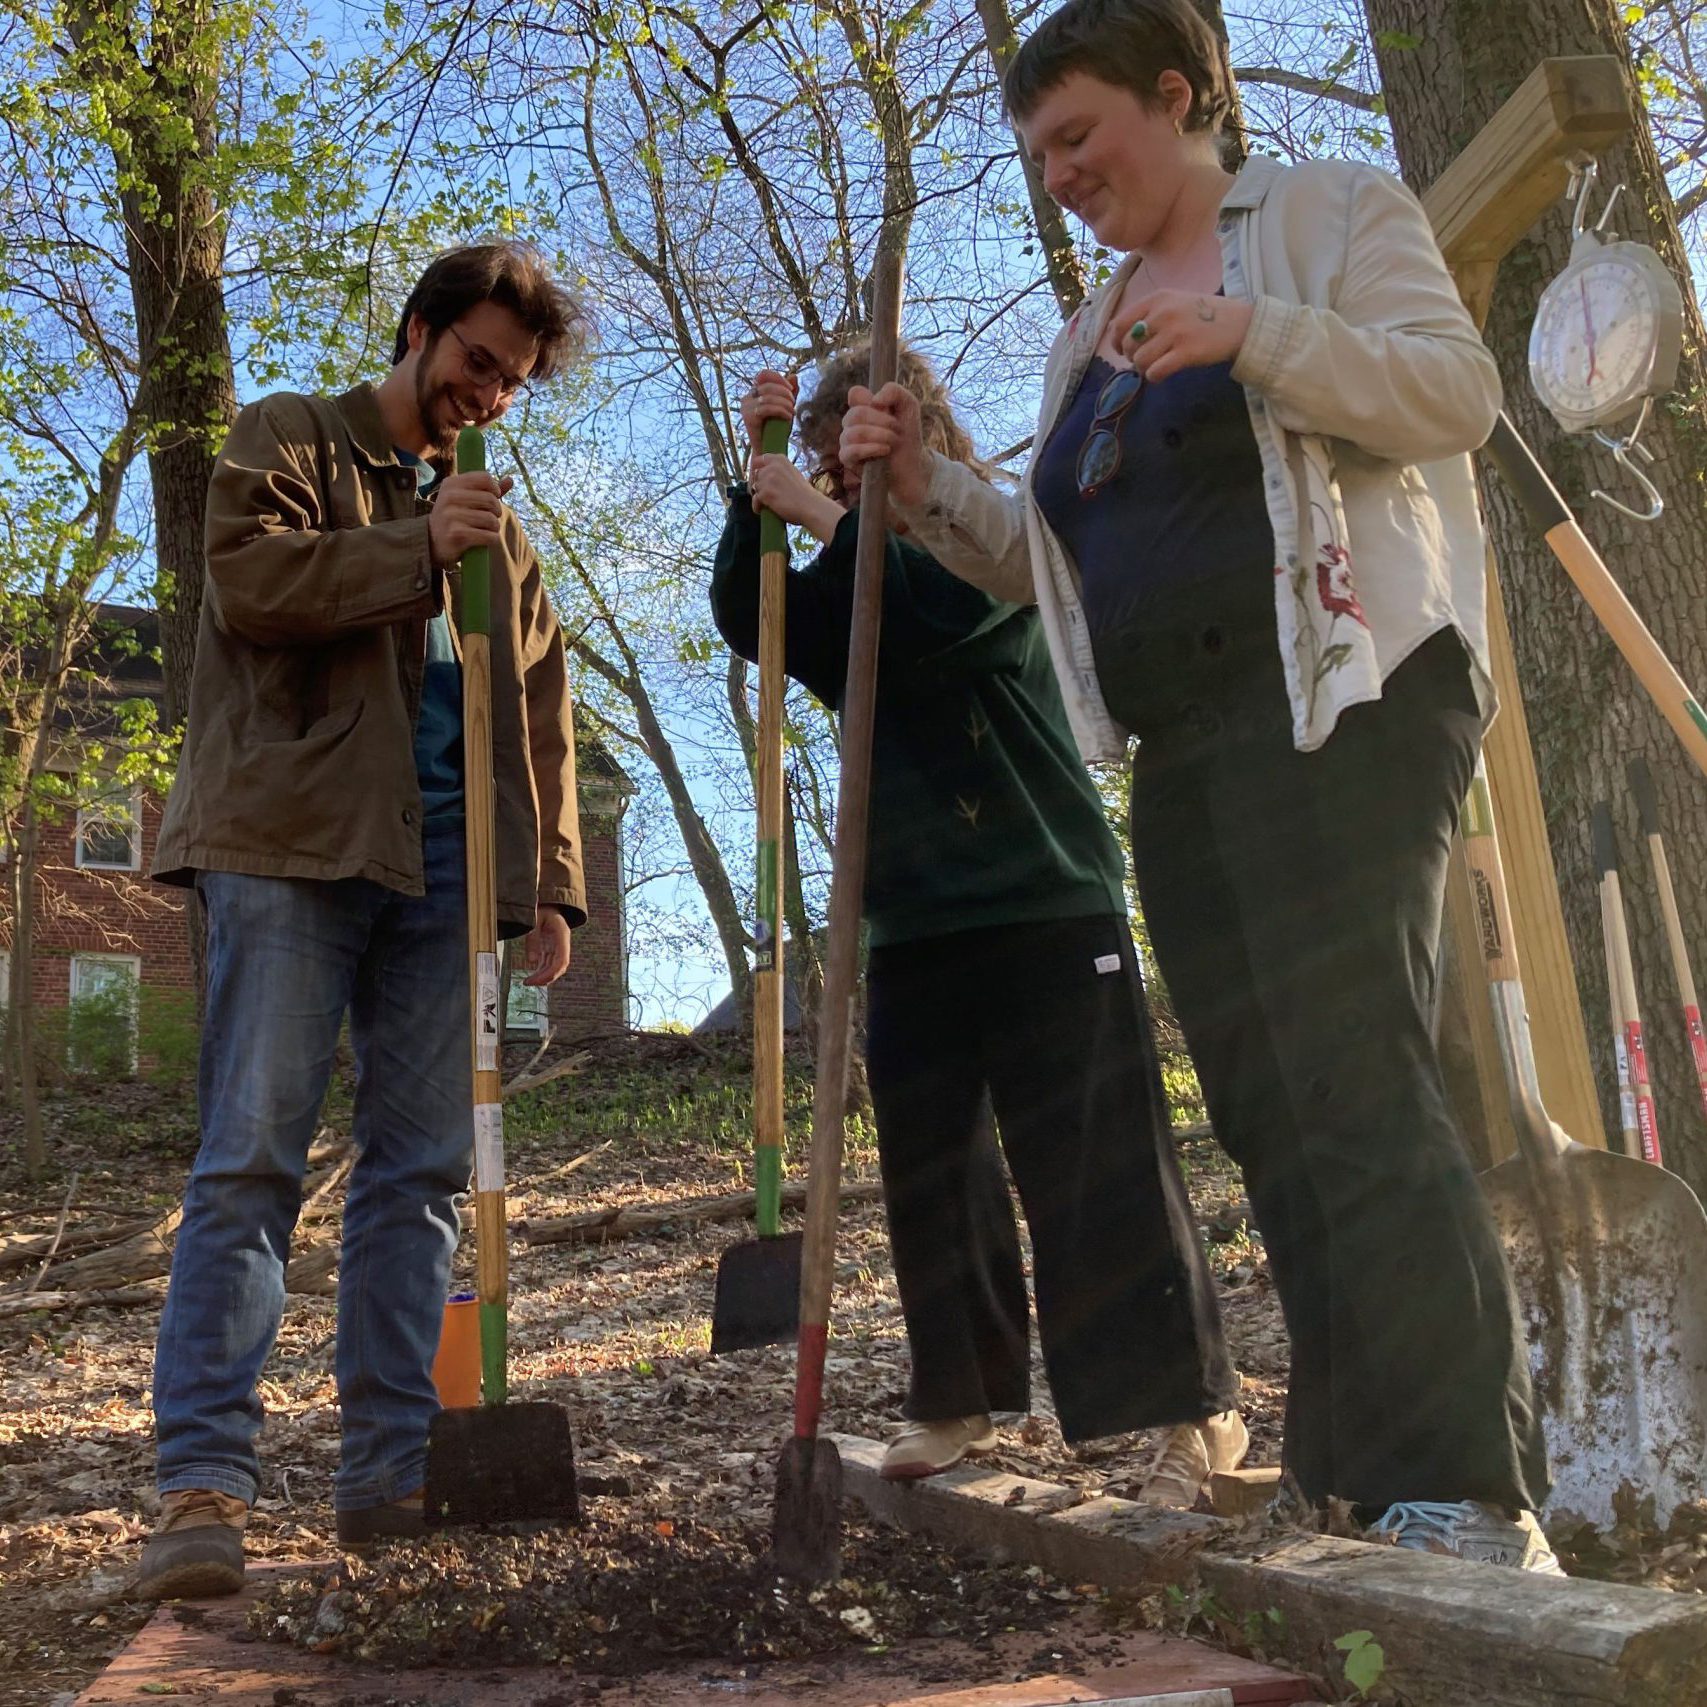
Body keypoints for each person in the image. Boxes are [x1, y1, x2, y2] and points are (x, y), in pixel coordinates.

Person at [838, 0, 1560, 1573]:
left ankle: (1470, 1489)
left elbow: (1454, 395)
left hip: (1343, 699)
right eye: (1034, 155)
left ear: (1177, 96)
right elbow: (1050, 561)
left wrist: (1256, 337)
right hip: (1181, 746)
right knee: (1259, 1104)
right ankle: (1355, 1476)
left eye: (1077, 135)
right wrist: (917, 492)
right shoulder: (1080, 334)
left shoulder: (1317, 215)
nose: (1056, 175)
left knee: (1352, 1067)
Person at [137, 242, 590, 1600]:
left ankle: (390, 1468)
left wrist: (549, 885)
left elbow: (547, 711)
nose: (487, 394)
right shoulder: (289, 435)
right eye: (474, 361)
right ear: (418, 331)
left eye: (509, 381)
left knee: (424, 1171)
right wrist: (409, 549)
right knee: (253, 1156)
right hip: (287, 845)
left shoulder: (499, 531)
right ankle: (201, 1485)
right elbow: (251, 589)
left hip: (448, 875)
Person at [712, 344, 1245, 1493]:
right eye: (828, 455)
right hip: (912, 918)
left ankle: (1181, 1417)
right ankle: (961, 1398)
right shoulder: (850, 565)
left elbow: (927, 609)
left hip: (1044, 897)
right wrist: (751, 476)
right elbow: (762, 621)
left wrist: (815, 511)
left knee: (1097, 1166)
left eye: (858, 452)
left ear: (919, 435)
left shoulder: (997, 552)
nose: (839, 477)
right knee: (932, 1172)